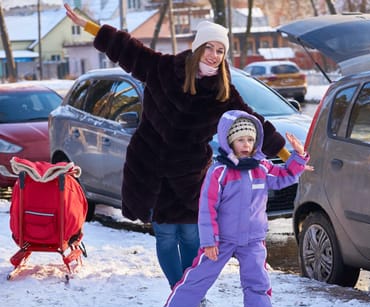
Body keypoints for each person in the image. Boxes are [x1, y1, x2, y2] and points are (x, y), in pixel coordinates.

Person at [64, 5, 290, 290]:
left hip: (190, 176)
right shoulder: (163, 68)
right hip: (151, 169)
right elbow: (125, 48)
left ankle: (190, 291)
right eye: (209, 47)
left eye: (220, 50)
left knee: (194, 238)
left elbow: (252, 121)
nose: (214, 55)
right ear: (197, 48)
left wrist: (285, 153)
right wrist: (90, 27)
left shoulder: (223, 93)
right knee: (167, 237)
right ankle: (179, 290)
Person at [150, 110, 310, 307]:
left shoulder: (261, 167)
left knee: (257, 281)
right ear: (229, 141)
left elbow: (285, 176)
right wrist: (208, 241)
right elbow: (207, 209)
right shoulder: (219, 171)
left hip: (253, 240)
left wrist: (299, 157)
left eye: (250, 140)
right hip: (221, 240)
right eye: (241, 140)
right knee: (197, 278)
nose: (246, 144)